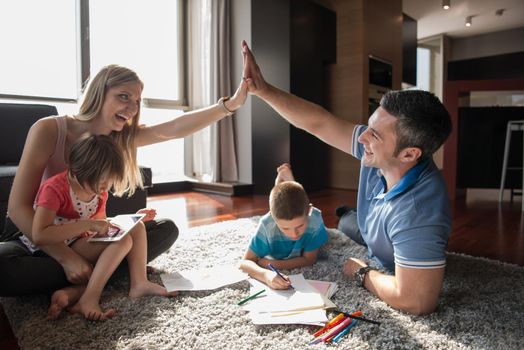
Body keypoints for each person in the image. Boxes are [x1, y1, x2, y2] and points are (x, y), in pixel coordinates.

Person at [241, 41, 452, 315]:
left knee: (354, 229)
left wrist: (362, 272)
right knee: (346, 222)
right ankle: (348, 215)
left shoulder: (418, 213)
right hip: (372, 225)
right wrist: (264, 90)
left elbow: (417, 301)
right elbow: (319, 122)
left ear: (409, 154)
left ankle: (354, 219)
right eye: (369, 125)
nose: (362, 136)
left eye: (374, 135)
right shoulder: (382, 152)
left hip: (392, 232)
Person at [0, 64, 248, 297]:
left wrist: (231, 105)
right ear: (100, 93)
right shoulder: (49, 129)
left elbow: (173, 128)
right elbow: (17, 208)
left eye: (137, 101)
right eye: (124, 96)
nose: (132, 108)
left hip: (87, 237)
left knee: (165, 229)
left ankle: (88, 280)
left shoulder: (120, 138)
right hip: (35, 235)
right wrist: (66, 257)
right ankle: (105, 273)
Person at [30, 134, 173, 321]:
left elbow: (101, 223)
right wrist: (89, 225)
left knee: (135, 229)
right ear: (79, 169)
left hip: (80, 239)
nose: (106, 187)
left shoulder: (99, 191)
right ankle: (88, 298)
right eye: (102, 181)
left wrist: (132, 218)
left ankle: (139, 283)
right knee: (123, 242)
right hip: (56, 246)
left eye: (109, 182)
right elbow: (40, 235)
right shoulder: (55, 189)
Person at [239, 163, 328, 289]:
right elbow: (245, 262)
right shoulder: (267, 225)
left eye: (300, 226)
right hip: (285, 215)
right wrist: (265, 275)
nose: (294, 234)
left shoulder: (314, 220)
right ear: (273, 219)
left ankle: (288, 184)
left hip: (306, 213)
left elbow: (309, 260)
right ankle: (286, 183)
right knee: (287, 202)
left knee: (295, 202)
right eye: (285, 228)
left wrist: (274, 264)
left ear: (309, 211)